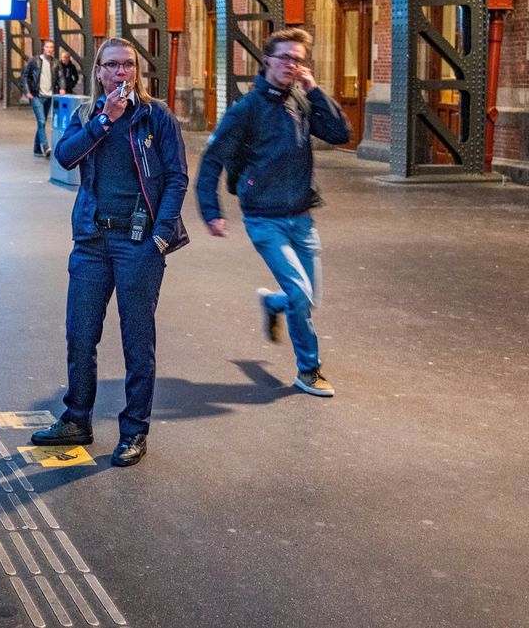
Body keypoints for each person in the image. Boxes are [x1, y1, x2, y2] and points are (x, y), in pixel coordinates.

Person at [30, 38, 188, 467]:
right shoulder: (88, 114)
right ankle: (76, 418)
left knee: (138, 341)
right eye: (113, 65)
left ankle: (134, 430)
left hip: (139, 243)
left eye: (129, 65)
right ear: (98, 71)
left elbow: (176, 177)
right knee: (80, 334)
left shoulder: (156, 116)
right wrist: (103, 121)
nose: (122, 73)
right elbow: (63, 157)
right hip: (91, 241)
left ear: (137, 71)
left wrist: (160, 237)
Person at [195, 27, 350, 397]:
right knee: (300, 293)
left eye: (298, 59)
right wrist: (211, 211)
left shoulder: (301, 99)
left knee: (307, 298)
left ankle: (272, 301)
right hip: (264, 218)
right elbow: (213, 159)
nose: (291, 65)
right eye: (285, 58)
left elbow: (341, 134)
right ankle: (308, 371)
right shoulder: (246, 110)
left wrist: (314, 91)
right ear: (267, 60)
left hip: (302, 216)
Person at [20, 39, 56, 157]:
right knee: (41, 121)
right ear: (43, 48)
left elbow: (60, 77)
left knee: (42, 123)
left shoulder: (55, 63)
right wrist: (27, 92)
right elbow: (24, 76)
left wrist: (62, 88)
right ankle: (46, 147)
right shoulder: (34, 61)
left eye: (51, 47)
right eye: (47, 47)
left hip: (49, 96)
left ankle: (36, 149)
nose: (49, 49)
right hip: (36, 96)